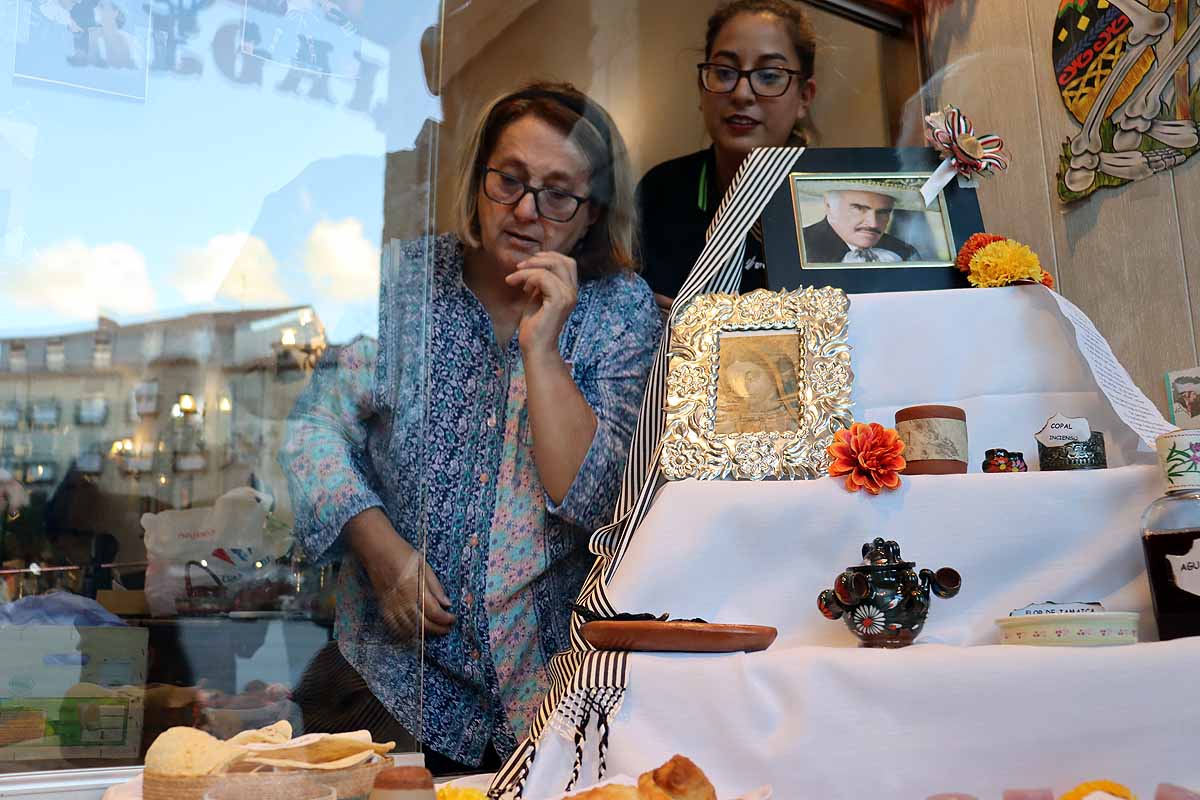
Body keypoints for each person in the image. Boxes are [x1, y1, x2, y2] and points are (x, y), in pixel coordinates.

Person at [278, 82, 661, 773]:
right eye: (508, 181)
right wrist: (380, 548)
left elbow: (593, 499)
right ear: (479, 178)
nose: (523, 211)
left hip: (555, 697)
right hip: (390, 683)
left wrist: (543, 346)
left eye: (557, 194)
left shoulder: (619, 311)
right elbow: (312, 431)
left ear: (591, 214)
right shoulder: (404, 284)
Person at [637, 0, 817, 311]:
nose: (742, 94)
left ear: (804, 97)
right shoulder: (660, 192)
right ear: (701, 87)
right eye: (724, 72)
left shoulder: (830, 194)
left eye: (770, 76)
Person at [801, 183, 922, 263]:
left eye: (883, 212)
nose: (873, 224)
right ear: (829, 206)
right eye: (859, 209)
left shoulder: (904, 253)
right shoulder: (799, 247)